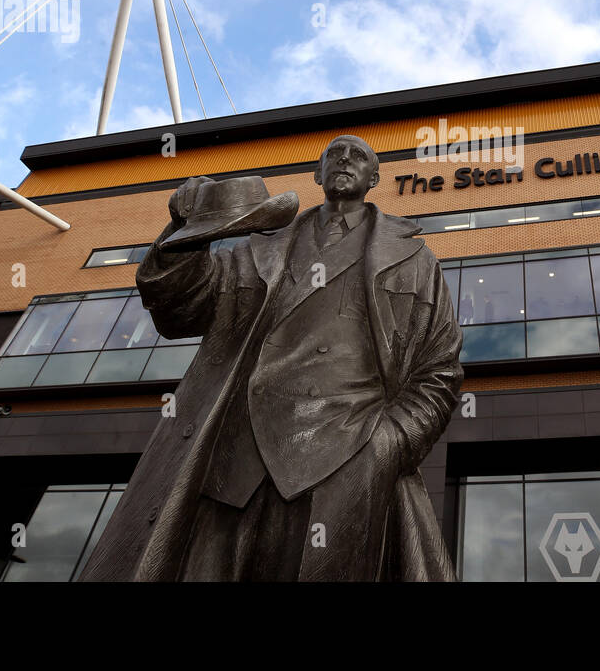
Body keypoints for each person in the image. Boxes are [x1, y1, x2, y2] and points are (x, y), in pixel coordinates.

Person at [79, 135, 463, 581]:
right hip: (236, 455)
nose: (344, 159)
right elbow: (181, 309)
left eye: (358, 156)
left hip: (347, 453)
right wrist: (186, 233)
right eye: (333, 154)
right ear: (317, 176)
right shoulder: (256, 247)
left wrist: (389, 443)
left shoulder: (414, 258)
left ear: (374, 179)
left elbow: (440, 368)